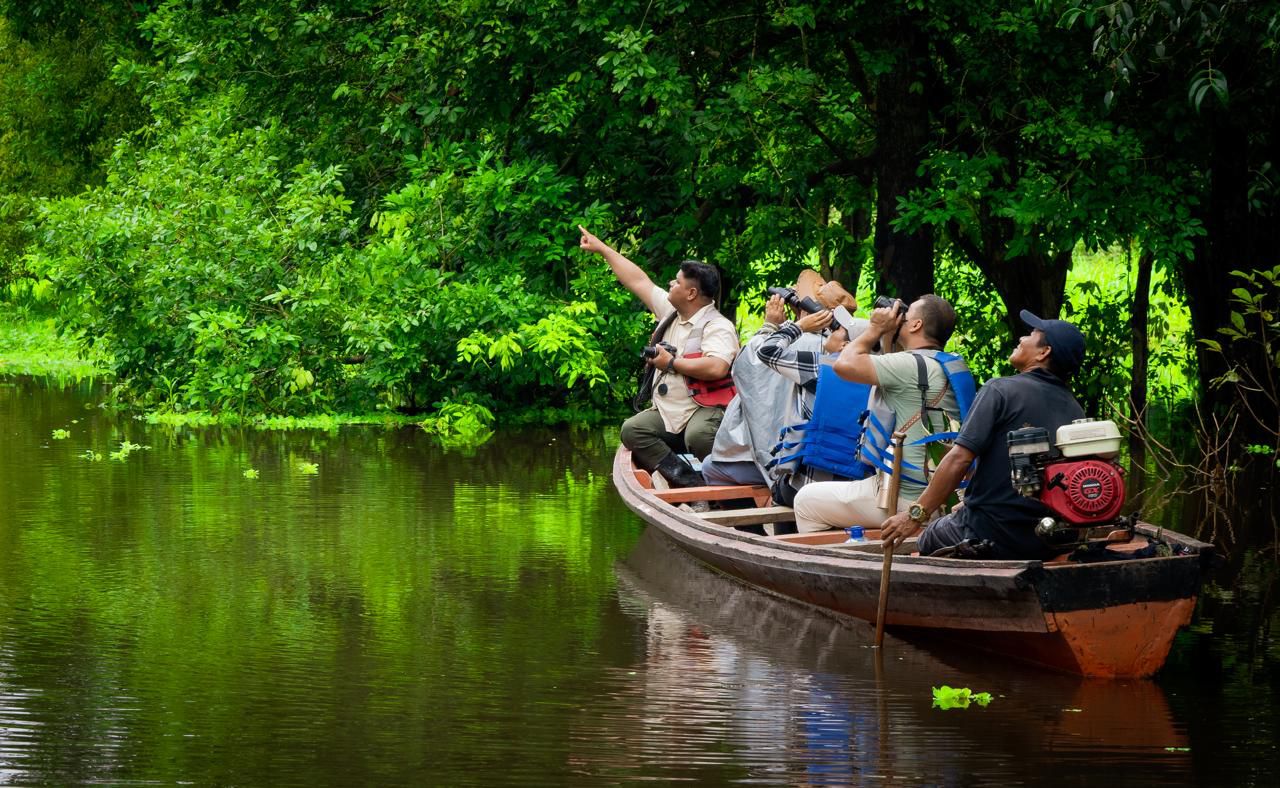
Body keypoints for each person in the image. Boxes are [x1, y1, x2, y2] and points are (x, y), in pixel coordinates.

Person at [879, 310, 1087, 559]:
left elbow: (959, 459)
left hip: (989, 534)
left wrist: (915, 515)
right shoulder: (1075, 408)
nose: (1022, 338)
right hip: (1047, 539)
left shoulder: (999, 390)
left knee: (928, 537)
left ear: (1044, 353)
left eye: (1032, 334)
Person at [579, 225, 739, 487]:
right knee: (633, 430)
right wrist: (603, 249)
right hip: (671, 411)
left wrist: (671, 363)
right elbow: (638, 281)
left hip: (705, 409)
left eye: (676, 282)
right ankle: (690, 484)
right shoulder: (671, 311)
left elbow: (717, 368)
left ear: (691, 293)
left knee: (698, 436)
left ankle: (730, 489)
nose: (670, 284)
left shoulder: (718, 326)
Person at [792, 294, 964, 532]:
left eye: (907, 313)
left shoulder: (909, 365)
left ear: (916, 325)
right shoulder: (946, 364)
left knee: (805, 500)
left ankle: (838, 564)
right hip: (941, 494)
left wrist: (874, 328)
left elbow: (843, 365)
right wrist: (886, 335)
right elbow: (889, 365)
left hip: (905, 496)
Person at [701, 271, 857, 490]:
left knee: (710, 466)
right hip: (823, 457)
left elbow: (746, 366)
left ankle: (752, 523)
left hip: (785, 457)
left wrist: (770, 325)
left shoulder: (793, 343)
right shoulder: (843, 350)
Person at [754, 287, 868, 505]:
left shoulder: (821, 368)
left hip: (809, 486)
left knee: (780, 490)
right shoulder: (878, 370)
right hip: (856, 483)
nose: (828, 331)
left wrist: (799, 325)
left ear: (844, 345)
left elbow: (766, 351)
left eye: (835, 330)